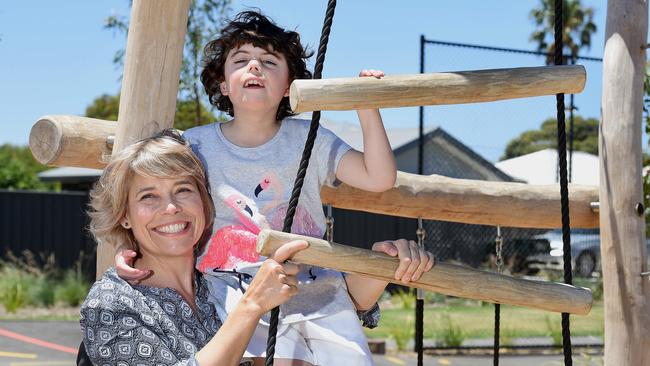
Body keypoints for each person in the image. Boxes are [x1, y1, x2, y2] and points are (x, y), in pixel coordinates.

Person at [117, 10, 435, 366]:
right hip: (236, 298)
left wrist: (367, 107)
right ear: (223, 84)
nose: (254, 67)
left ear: (289, 86)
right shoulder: (194, 146)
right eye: (241, 60)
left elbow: (379, 178)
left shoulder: (310, 140)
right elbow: (146, 191)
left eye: (269, 61)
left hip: (319, 295)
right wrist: (130, 252)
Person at [81, 130, 308, 366]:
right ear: (125, 215)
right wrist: (251, 306)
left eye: (183, 190)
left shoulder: (222, 280)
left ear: (204, 201)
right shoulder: (112, 304)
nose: (171, 207)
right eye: (148, 196)